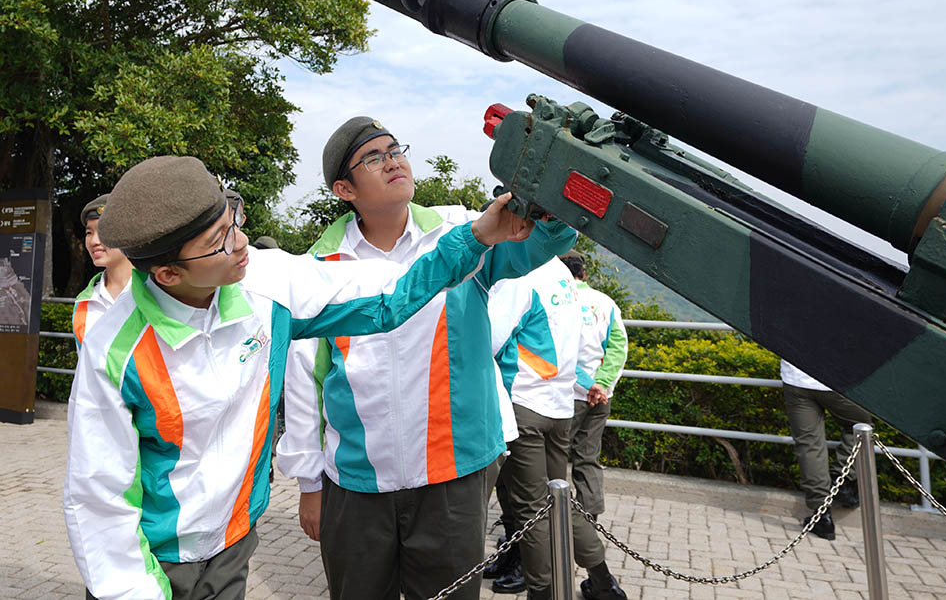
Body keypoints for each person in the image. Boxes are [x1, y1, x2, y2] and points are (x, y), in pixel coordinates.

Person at [64, 155, 531, 600]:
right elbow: (98, 497)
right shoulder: (114, 350)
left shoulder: (265, 283)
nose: (242, 243)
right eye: (219, 242)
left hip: (232, 545)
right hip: (149, 562)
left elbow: (389, 293)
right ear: (168, 274)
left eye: (233, 220)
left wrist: (477, 237)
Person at [276, 116, 576, 600]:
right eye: (373, 158)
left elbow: (545, 240)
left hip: (452, 473)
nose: (393, 161)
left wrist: (553, 197)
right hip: (356, 477)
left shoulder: (464, 232)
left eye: (395, 149)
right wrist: (309, 483)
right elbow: (304, 383)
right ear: (344, 189)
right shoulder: (317, 266)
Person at [489, 256, 625, 600]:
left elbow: (488, 340)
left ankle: (543, 592)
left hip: (524, 404)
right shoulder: (562, 275)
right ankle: (603, 582)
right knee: (561, 498)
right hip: (560, 407)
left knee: (531, 507)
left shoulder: (520, 274)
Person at [560, 250, 628, 600]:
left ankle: (567, 531)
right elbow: (618, 346)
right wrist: (601, 384)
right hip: (600, 398)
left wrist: (587, 384)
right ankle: (588, 522)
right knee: (588, 460)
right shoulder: (606, 302)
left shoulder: (559, 298)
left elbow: (557, 349)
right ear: (584, 272)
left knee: (553, 466)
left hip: (567, 395)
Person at [781, 359, 872, 541]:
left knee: (808, 445)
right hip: (838, 379)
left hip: (796, 378)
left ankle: (822, 516)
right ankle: (842, 483)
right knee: (861, 427)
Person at [72, 194, 133, 346]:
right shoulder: (84, 301)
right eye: (89, 233)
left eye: (104, 231)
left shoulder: (157, 292)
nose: (94, 241)